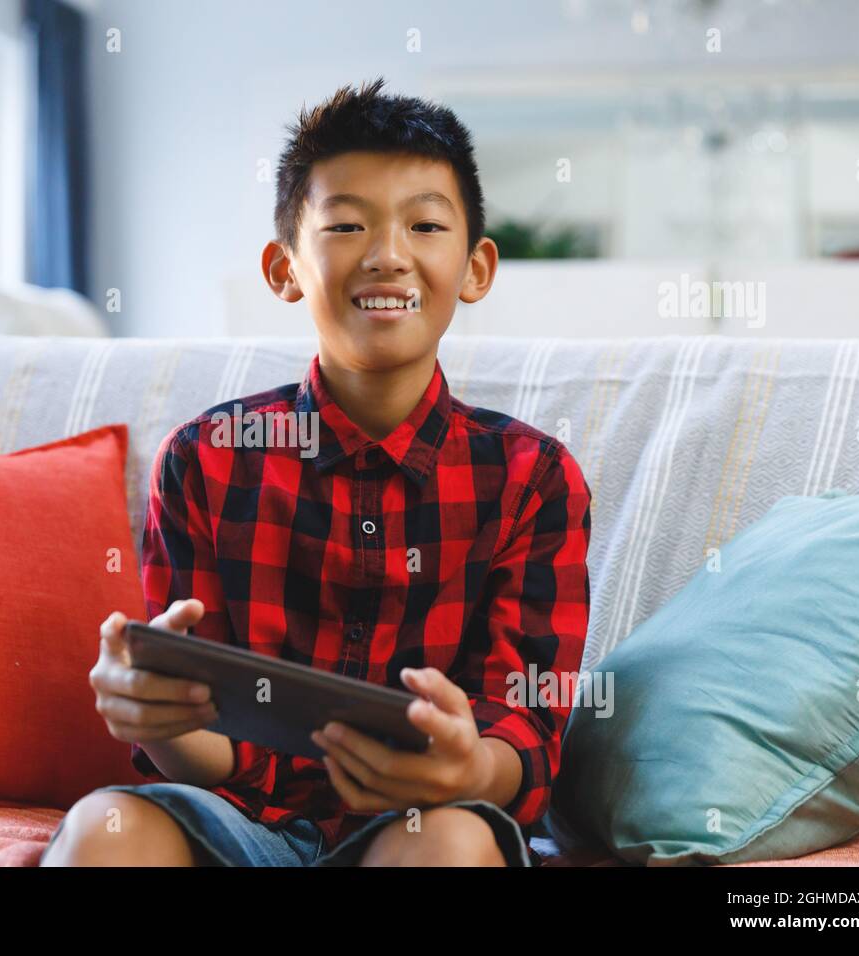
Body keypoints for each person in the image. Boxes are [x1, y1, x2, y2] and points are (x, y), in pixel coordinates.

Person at [42, 76, 592, 867]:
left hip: (422, 820)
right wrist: (159, 717)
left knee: (454, 838)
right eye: (346, 226)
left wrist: (472, 765)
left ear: (475, 269)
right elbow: (209, 746)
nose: (387, 256)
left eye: (425, 225)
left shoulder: (533, 477)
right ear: (284, 268)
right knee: (105, 828)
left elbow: (526, 730)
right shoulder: (205, 459)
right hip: (235, 821)